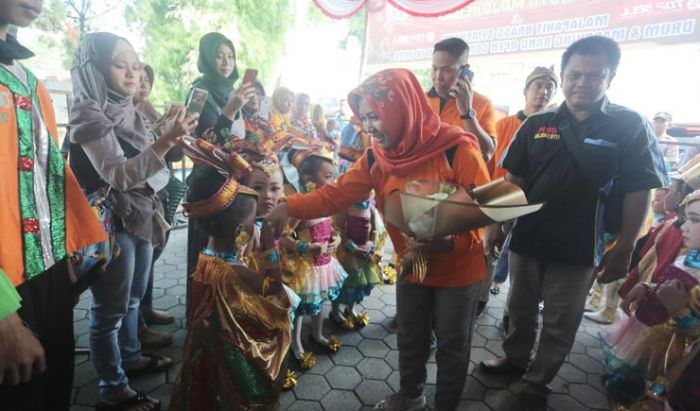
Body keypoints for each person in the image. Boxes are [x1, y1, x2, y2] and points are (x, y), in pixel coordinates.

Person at [266, 69, 489, 411]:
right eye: (365, 117)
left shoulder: (456, 149)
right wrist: (289, 205)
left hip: (459, 268)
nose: (368, 126)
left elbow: (487, 209)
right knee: (411, 335)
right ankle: (411, 396)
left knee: (452, 345)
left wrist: (449, 243)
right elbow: (335, 195)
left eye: (377, 116)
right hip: (414, 262)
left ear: (402, 108)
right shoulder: (377, 157)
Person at [480, 36, 666, 410]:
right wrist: (493, 225)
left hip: (581, 246)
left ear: (610, 78)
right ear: (563, 76)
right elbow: (512, 180)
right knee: (519, 308)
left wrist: (626, 246)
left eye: (595, 75)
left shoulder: (629, 125)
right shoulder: (537, 123)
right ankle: (514, 359)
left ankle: (538, 380)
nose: (583, 82)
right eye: (575, 74)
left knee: (561, 322)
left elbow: (638, 190)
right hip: (528, 237)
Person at [69, 32, 198, 410]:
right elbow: (119, 175)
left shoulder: (129, 108)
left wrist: (168, 134)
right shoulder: (88, 113)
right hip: (111, 221)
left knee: (133, 299)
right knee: (108, 311)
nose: (131, 73)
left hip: (141, 212)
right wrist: (164, 140)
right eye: (119, 64)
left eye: (135, 65)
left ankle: (129, 356)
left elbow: (147, 162)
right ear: (95, 68)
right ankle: (112, 388)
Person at [0, 3, 106, 410]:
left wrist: (62, 257)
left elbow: (48, 179)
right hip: (6, 294)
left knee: (54, 387)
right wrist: (4, 318)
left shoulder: (28, 81)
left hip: (49, 278)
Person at [169, 144, 292, 410]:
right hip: (229, 350)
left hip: (204, 344)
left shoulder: (205, 259)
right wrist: (270, 250)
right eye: (252, 221)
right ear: (240, 230)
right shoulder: (233, 269)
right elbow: (273, 288)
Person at [600, 190, 700, 406]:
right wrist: (647, 286)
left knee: (650, 391)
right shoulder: (687, 259)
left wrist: (682, 313)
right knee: (632, 381)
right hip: (650, 332)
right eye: (686, 219)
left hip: (675, 353)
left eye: (694, 220)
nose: (683, 227)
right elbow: (669, 284)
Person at [186, 32, 256, 317]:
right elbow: (203, 141)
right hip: (209, 189)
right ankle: (201, 317)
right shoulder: (198, 93)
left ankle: (229, 313)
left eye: (230, 55)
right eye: (219, 55)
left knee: (233, 251)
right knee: (206, 253)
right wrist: (229, 111)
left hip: (233, 185)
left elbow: (237, 140)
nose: (226, 61)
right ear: (206, 58)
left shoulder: (233, 92)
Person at [486, 66, 558, 312]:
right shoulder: (503, 124)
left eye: (549, 87)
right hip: (499, 196)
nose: (543, 92)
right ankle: (480, 297)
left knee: (523, 265)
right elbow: (489, 161)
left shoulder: (556, 127)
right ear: (525, 90)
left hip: (532, 206)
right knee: (489, 250)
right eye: (538, 86)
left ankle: (513, 312)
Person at [281, 146, 347, 368]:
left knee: (319, 302)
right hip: (307, 268)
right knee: (301, 308)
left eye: (333, 176)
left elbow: (333, 229)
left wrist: (336, 240)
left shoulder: (326, 204)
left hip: (325, 265)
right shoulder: (302, 207)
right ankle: (296, 343)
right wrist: (306, 247)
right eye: (327, 176)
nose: (332, 181)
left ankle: (317, 335)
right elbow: (283, 237)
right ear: (309, 179)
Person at [426, 37, 497, 160]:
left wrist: (467, 113)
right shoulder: (418, 100)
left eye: (446, 70)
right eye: (434, 68)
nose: (438, 77)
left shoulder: (483, 104)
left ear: (464, 70)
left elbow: (487, 153)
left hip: (462, 178)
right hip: (423, 178)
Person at [329, 198, 383, 330]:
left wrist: (371, 246)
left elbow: (374, 231)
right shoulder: (346, 207)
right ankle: (335, 311)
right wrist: (353, 248)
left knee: (358, 283)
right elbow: (339, 230)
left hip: (363, 251)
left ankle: (350, 308)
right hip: (347, 252)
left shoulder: (370, 209)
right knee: (343, 283)